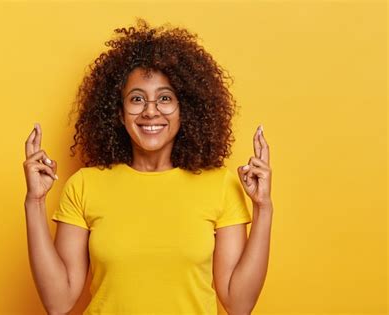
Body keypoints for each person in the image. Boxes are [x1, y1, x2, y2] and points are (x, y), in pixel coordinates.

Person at [23, 19, 273, 315]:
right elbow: (58, 302)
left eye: (165, 98)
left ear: (185, 110)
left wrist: (263, 207)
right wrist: (35, 201)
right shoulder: (84, 185)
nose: (151, 110)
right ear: (118, 112)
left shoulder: (220, 185)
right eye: (137, 99)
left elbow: (239, 303)